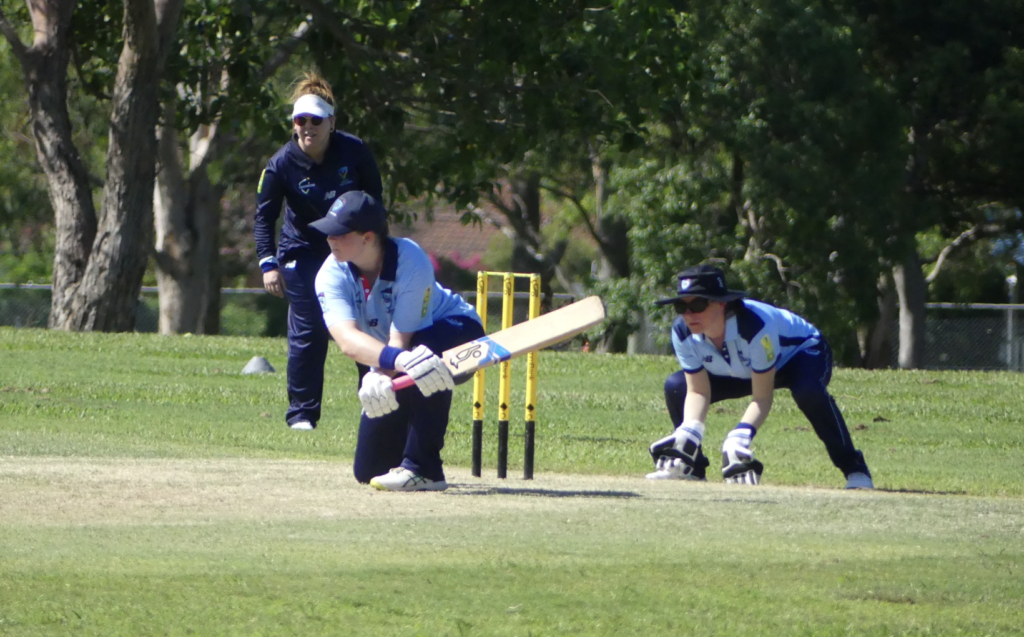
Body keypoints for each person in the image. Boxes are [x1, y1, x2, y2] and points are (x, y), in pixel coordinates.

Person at [311, 190, 485, 492]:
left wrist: (387, 367)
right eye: (329, 233)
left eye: (339, 233)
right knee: (369, 471)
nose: (330, 240)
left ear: (368, 237)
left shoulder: (409, 258)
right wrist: (378, 374)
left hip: (457, 331)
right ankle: (404, 462)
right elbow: (348, 341)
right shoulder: (330, 274)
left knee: (424, 358)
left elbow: (402, 340)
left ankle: (424, 469)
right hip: (398, 357)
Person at [646, 264, 874, 489]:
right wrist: (691, 429)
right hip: (744, 366)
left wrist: (741, 434)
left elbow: (762, 398)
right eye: (680, 307)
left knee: (808, 392)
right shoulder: (682, 332)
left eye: (697, 304)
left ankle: (855, 470)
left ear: (722, 304)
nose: (688, 315)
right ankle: (690, 469)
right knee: (677, 387)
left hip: (799, 355)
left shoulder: (754, 327)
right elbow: (698, 391)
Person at [254, 71, 383, 431]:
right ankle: (302, 415)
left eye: (316, 120)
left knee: (366, 324)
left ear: (331, 123)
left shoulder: (354, 150)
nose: (308, 127)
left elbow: (375, 201)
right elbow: (264, 218)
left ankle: (375, 402)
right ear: (294, 125)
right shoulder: (280, 164)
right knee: (309, 330)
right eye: (301, 120)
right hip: (303, 251)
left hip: (352, 247)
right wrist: (269, 264)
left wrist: (376, 249)